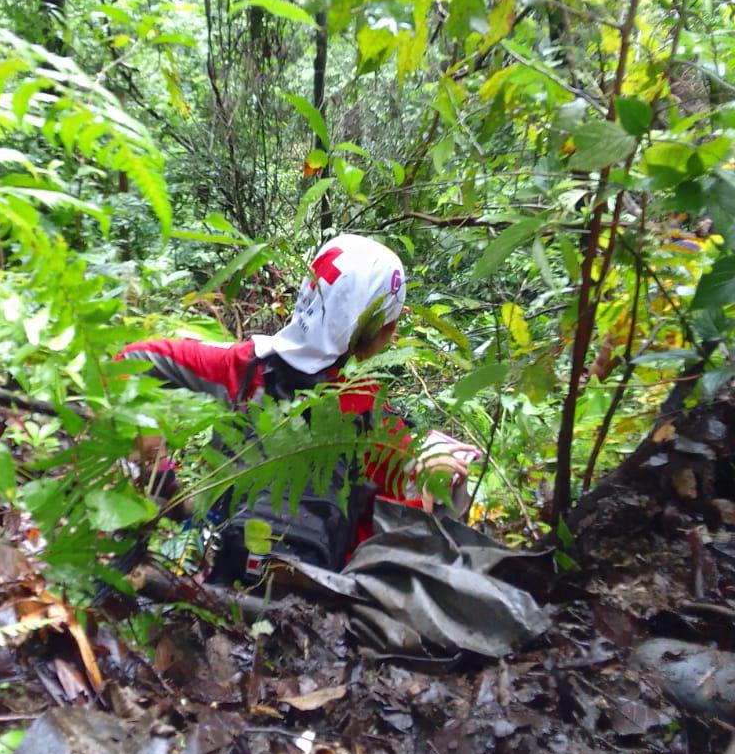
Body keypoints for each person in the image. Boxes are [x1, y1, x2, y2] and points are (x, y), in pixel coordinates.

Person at [116, 233, 477, 569]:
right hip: (318, 593)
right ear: (375, 333)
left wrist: (159, 475)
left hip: (216, 568)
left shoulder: (243, 367)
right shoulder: (366, 409)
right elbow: (419, 493)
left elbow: (130, 361)